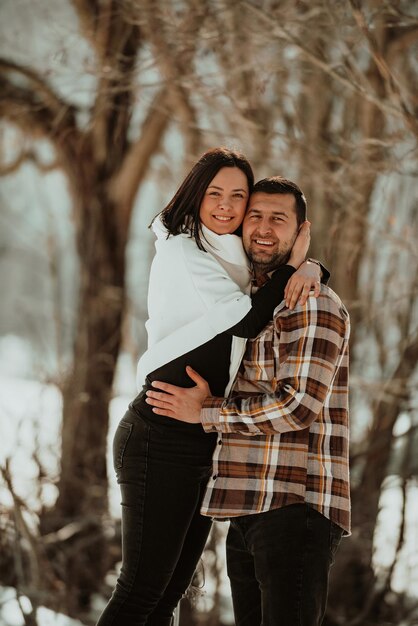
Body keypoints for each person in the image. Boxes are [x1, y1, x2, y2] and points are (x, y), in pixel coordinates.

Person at [96, 150, 324, 626]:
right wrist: (298, 266)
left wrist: (312, 269)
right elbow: (246, 317)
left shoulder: (232, 253)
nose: (226, 205)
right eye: (215, 193)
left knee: (167, 599)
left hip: (204, 441)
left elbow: (270, 272)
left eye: (238, 196)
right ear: (196, 194)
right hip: (159, 435)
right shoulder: (185, 251)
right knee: (140, 594)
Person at [146, 176, 350, 626]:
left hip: (295, 505)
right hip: (247, 504)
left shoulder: (312, 305)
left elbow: (297, 406)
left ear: (301, 232)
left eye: (278, 219)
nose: (262, 227)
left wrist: (204, 412)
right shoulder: (253, 301)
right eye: (254, 215)